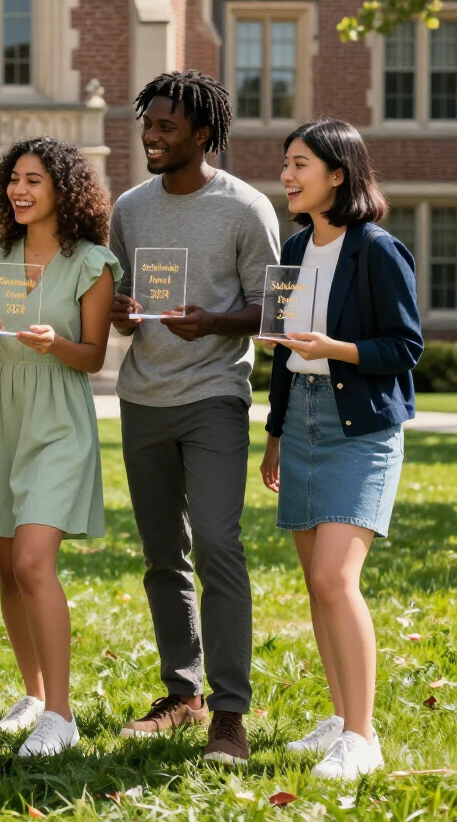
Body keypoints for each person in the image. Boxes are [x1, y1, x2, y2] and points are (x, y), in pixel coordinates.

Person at [109, 70, 280, 765]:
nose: (151, 136)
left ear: (202, 134)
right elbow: (120, 298)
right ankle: (182, 694)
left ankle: (229, 715)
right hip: (141, 396)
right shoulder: (130, 207)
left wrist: (213, 321)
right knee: (161, 554)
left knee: (216, 541)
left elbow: (274, 309)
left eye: (165, 127)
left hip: (214, 393)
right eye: (147, 125)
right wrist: (118, 310)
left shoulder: (245, 208)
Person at [260, 119, 421, 780]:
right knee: (317, 584)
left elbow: (405, 347)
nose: (288, 176)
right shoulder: (294, 249)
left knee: (334, 577)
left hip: (361, 428)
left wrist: (336, 350)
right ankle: (338, 717)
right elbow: (280, 353)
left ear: (338, 174)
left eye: (300, 164)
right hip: (300, 423)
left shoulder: (378, 250)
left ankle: (362, 736)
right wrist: (273, 433)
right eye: (286, 164)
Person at [0, 137, 117, 757]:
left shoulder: (92, 263)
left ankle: (61, 714)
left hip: (58, 414)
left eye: (34, 181)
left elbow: (96, 357)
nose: (20, 192)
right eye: (14, 181)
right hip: (1, 410)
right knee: (6, 566)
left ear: (63, 191)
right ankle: (33, 694)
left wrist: (57, 343)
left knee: (32, 561)